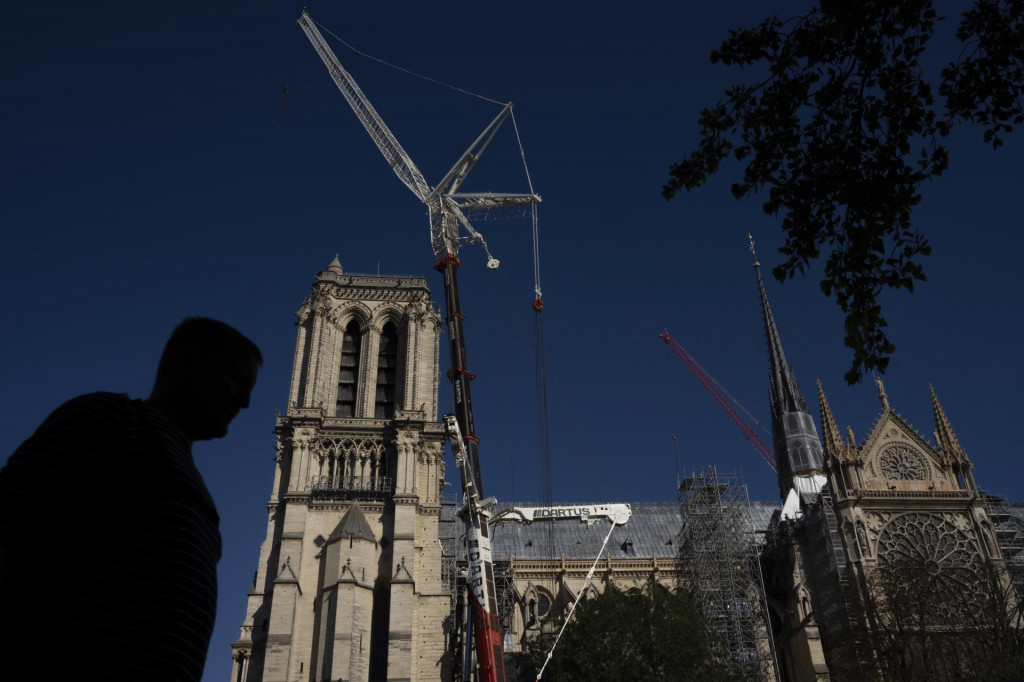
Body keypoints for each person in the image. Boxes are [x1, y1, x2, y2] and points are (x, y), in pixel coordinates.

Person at [0, 317, 261, 681]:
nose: (245, 402)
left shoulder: (189, 477)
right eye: (237, 380)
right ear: (188, 365)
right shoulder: (112, 419)